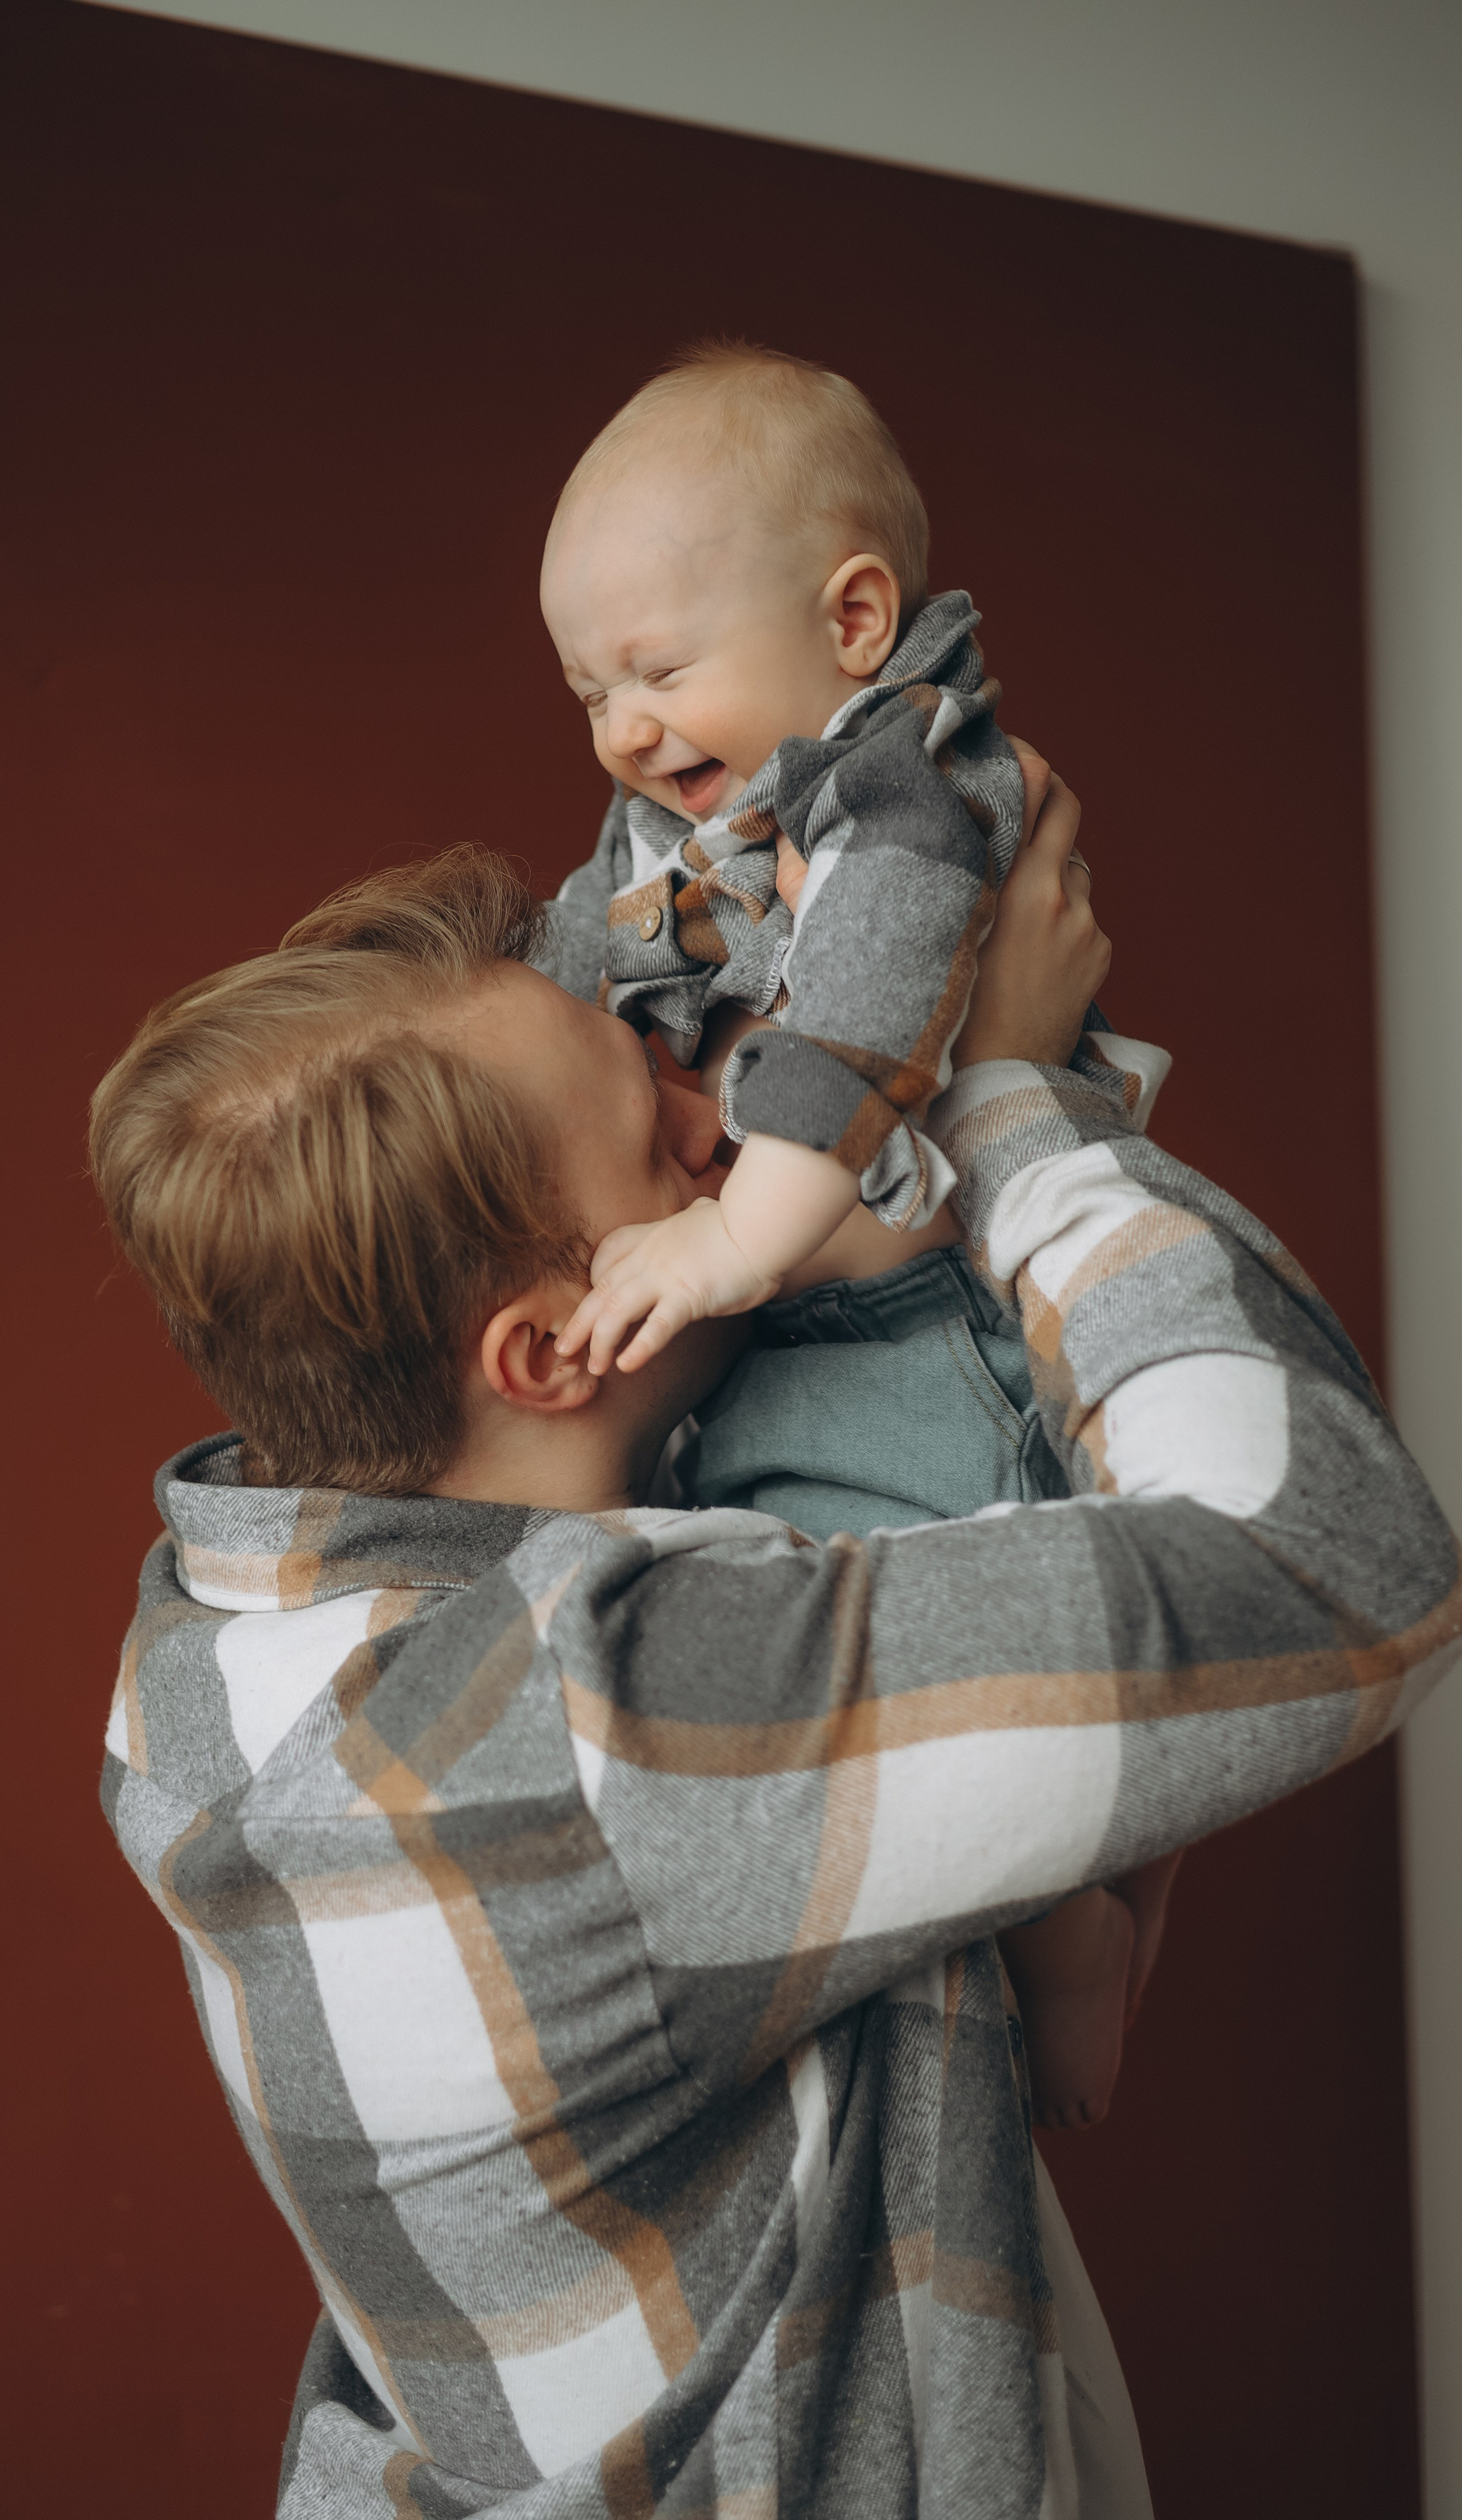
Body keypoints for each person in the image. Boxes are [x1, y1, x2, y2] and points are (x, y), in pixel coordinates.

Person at [89, 817, 1458, 2520]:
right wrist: (1011, 1101)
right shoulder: (612, 1716)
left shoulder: (209, 1645)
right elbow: (1332, 1554)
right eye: (658, 1138)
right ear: (547, 1350)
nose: (728, 1120)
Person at [537, 341, 1175, 2124]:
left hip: (923, 1345)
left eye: (658, 669)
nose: (623, 728)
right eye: (588, 691)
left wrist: (734, 1243)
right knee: (823, 1700)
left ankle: (1077, 1973)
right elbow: (576, 965)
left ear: (856, 622)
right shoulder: (682, 826)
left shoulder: (910, 788)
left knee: (960, 1700)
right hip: (801, 1361)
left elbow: (865, 1018)